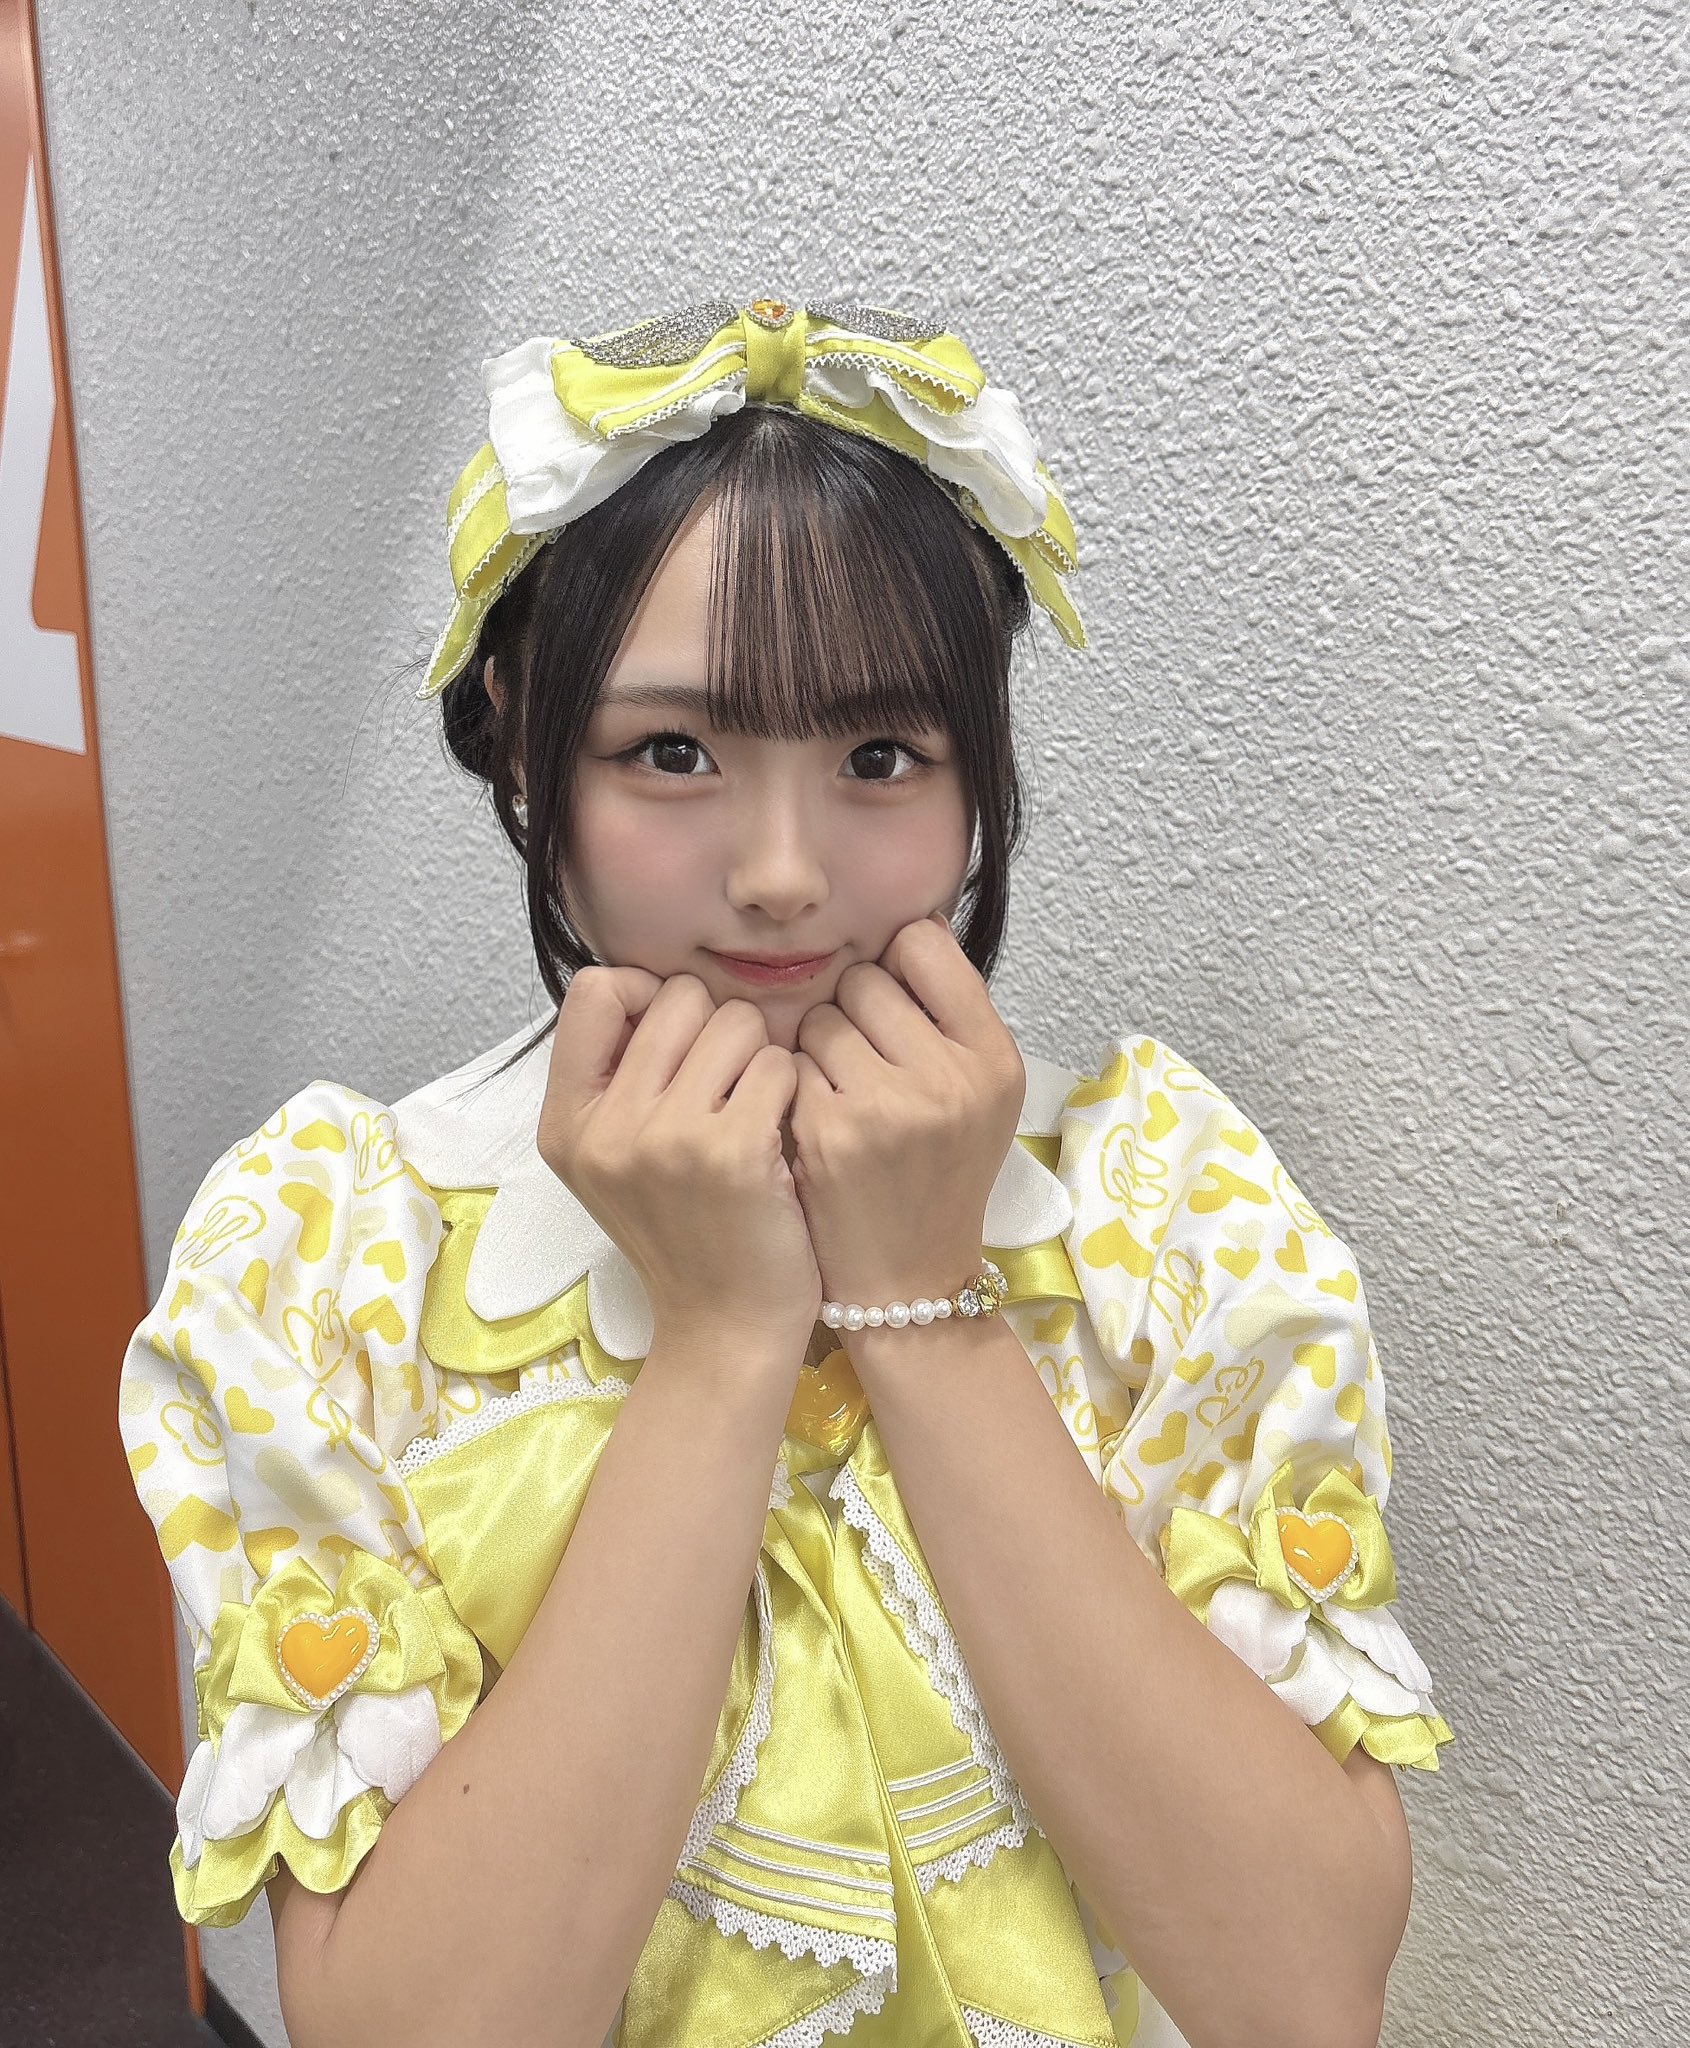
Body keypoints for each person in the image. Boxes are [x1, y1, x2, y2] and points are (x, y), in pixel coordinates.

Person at [117, 296, 1454, 2048]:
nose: (778, 872)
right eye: (670, 753)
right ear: (522, 739)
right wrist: (725, 1337)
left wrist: (921, 1306)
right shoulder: (334, 1250)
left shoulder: (1161, 1207)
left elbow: (1297, 1997)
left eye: (879, 757)